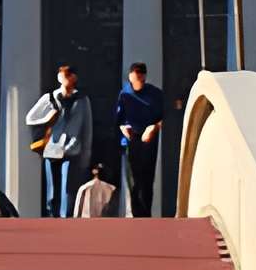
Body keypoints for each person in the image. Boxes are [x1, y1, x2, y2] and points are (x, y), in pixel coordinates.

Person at [26, 63, 96, 217]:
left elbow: (87, 128)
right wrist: (48, 117)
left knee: (67, 190)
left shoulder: (82, 100)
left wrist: (86, 154)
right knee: (51, 193)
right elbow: (30, 118)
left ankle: (65, 221)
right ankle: (52, 220)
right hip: (51, 148)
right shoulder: (50, 98)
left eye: (68, 75)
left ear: (74, 78)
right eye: (63, 75)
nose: (65, 78)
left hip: (71, 149)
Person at [110, 61, 168, 216]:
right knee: (133, 180)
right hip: (131, 140)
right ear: (130, 77)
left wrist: (154, 128)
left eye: (141, 77)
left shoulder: (155, 94)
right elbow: (119, 119)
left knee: (147, 179)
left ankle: (146, 214)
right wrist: (123, 128)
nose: (139, 81)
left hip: (148, 139)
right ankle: (137, 215)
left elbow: (164, 116)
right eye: (136, 77)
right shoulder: (125, 94)